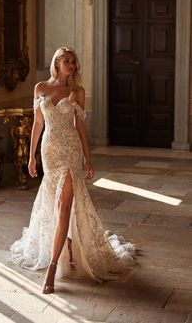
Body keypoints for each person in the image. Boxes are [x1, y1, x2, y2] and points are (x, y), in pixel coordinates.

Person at [10, 47, 137, 294]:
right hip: (49, 152)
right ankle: (66, 247)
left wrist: (88, 160)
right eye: (66, 60)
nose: (71, 64)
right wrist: (31, 156)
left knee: (64, 207)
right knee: (54, 205)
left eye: (74, 61)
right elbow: (38, 123)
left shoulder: (77, 92)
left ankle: (52, 268)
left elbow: (80, 127)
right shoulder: (40, 88)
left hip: (70, 152)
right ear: (56, 62)